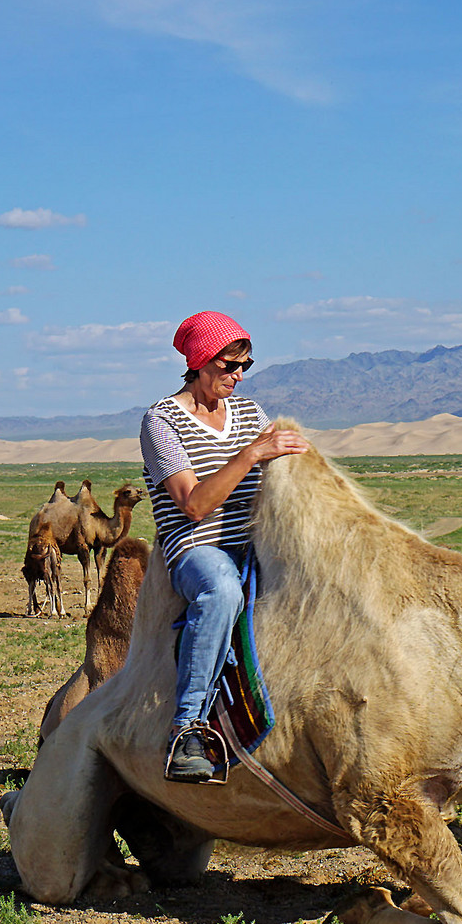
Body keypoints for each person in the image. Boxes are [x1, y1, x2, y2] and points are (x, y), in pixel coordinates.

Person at [140, 311, 309, 782]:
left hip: (253, 539)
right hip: (197, 547)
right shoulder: (162, 421)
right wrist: (252, 453)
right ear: (198, 363)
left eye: (244, 367)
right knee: (223, 592)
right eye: (227, 366)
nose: (237, 376)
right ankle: (188, 727)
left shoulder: (250, 413)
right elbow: (194, 505)